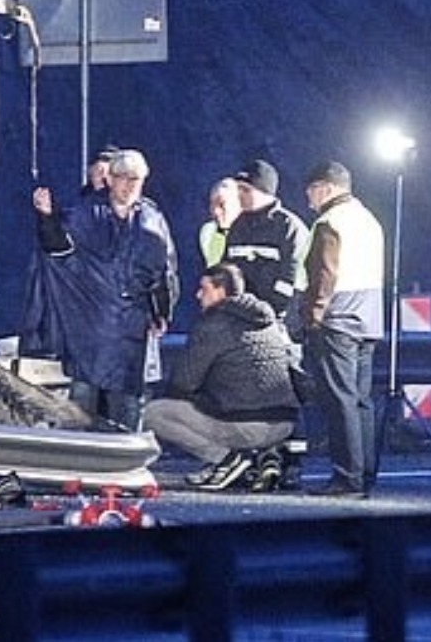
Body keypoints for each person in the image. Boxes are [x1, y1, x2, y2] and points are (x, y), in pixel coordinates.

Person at [27, 148, 178, 430]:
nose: (130, 185)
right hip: (90, 326)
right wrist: (46, 218)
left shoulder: (152, 218)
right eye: (124, 178)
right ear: (111, 179)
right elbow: (58, 249)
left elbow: (164, 272)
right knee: (83, 399)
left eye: (136, 179)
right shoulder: (85, 213)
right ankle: (78, 463)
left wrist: (162, 313)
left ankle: (123, 461)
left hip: (131, 329)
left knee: (128, 403)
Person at [145, 263, 302, 492]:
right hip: (285, 425)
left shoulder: (214, 324)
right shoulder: (270, 321)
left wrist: (199, 396)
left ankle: (226, 459)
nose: (198, 295)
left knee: (153, 413)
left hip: (248, 427)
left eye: (204, 289)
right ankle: (244, 464)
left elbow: (183, 382)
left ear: (221, 291)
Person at [298, 160, 385, 498]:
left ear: (326, 187)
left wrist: (313, 316)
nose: (309, 200)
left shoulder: (330, 221)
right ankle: (364, 473)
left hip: (338, 316)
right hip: (369, 315)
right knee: (361, 399)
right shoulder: (369, 219)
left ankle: (346, 477)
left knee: (340, 399)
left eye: (311, 191)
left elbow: (325, 274)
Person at [223, 159, 310, 321]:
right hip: (240, 317)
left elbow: (291, 275)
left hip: (278, 320)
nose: (239, 195)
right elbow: (227, 269)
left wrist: (272, 311)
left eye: (246, 190)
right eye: (238, 189)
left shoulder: (289, 227)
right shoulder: (237, 226)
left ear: (265, 192)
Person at [197, 178, 240, 269]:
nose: (215, 211)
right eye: (212, 204)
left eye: (221, 204)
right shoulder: (208, 230)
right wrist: (222, 229)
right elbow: (214, 264)